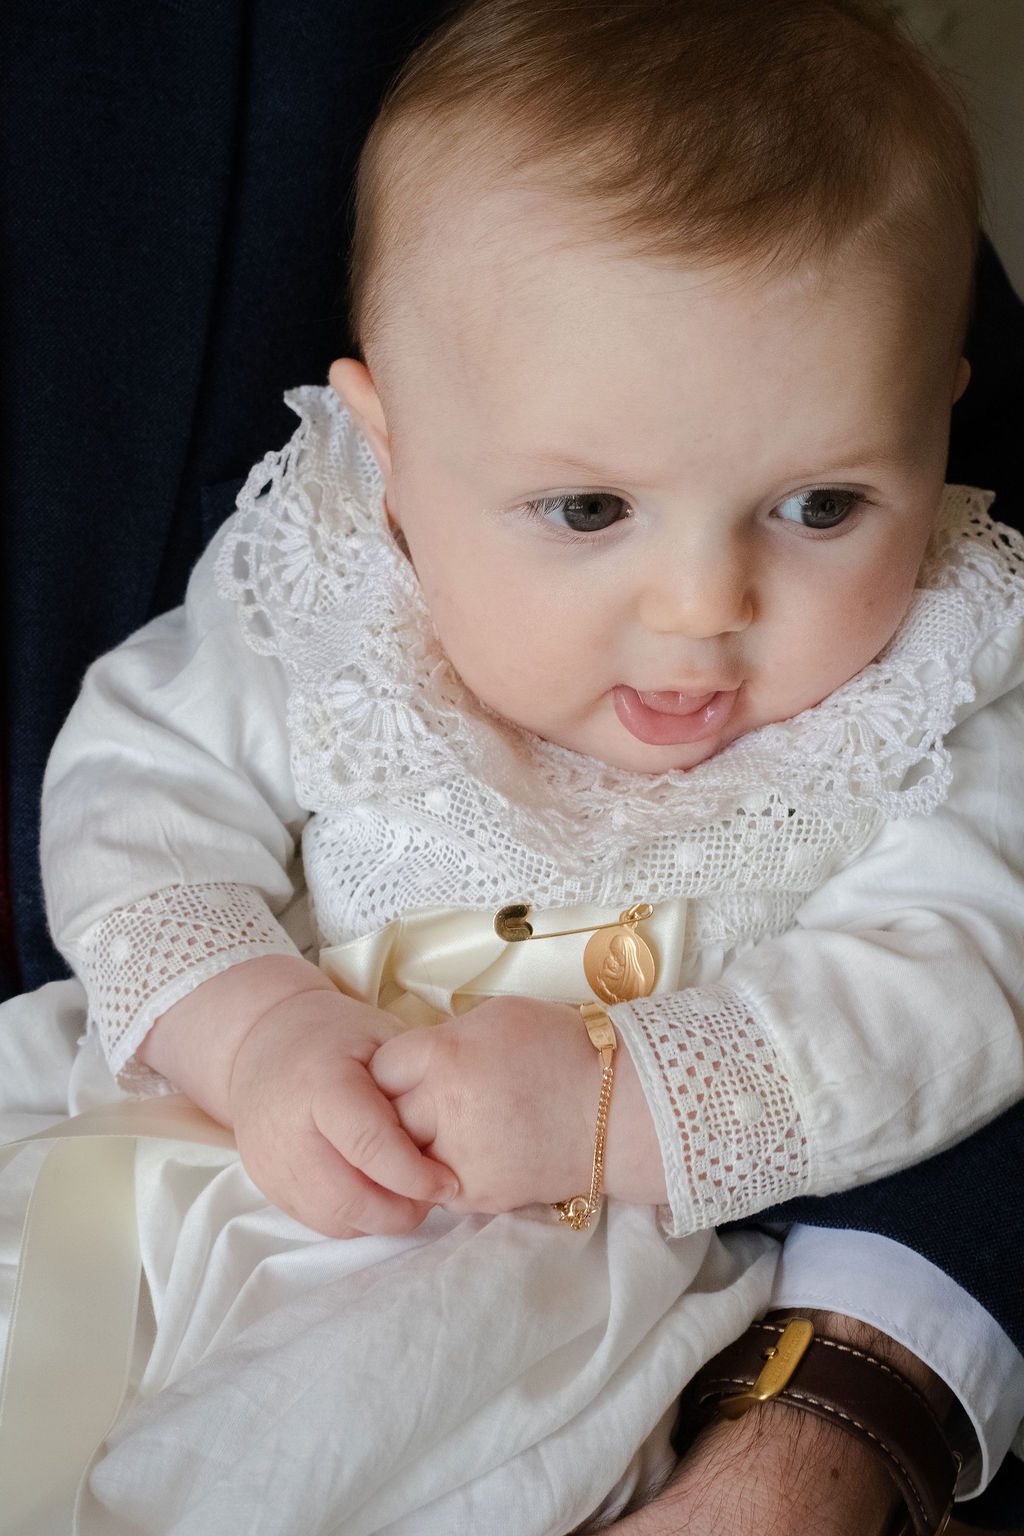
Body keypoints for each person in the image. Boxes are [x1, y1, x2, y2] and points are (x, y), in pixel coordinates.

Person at [1, 0, 1023, 1531]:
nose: (701, 612)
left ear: (935, 427)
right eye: (589, 511)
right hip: (176, 1141)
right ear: (391, 449)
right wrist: (252, 1026)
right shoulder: (337, 583)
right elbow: (139, 792)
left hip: (524, 1262)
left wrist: (627, 1101)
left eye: (820, 505)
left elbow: (961, 976)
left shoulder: (945, 667)